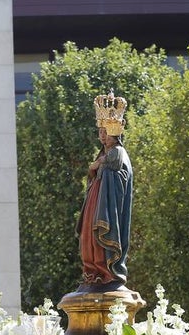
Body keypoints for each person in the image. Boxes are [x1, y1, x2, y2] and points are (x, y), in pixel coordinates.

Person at [77, 91, 133, 291]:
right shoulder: (104, 153)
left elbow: (116, 170)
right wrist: (94, 168)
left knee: (102, 239)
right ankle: (92, 273)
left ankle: (106, 272)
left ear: (115, 131)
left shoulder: (117, 152)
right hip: (96, 200)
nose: (101, 135)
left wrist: (99, 164)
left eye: (105, 131)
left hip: (107, 204)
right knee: (88, 237)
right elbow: (94, 172)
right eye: (100, 131)